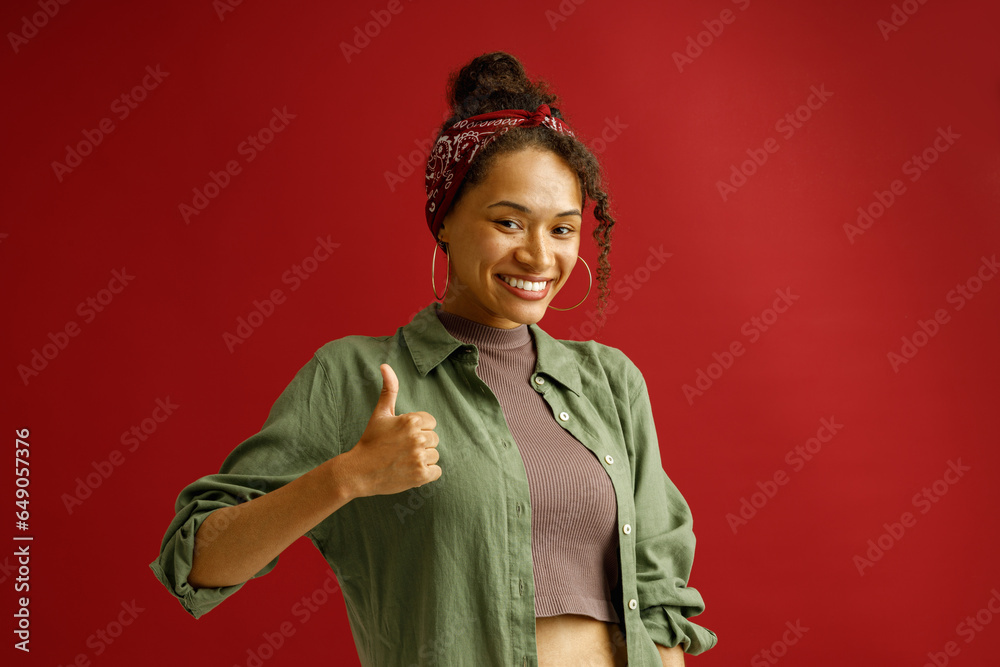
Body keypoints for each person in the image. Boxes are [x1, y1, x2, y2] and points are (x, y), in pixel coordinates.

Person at [149, 51, 717, 667]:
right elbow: (197, 561)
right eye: (509, 222)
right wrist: (347, 477)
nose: (538, 256)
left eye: (562, 229)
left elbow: (659, 598)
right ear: (445, 221)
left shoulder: (609, 382)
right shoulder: (355, 378)